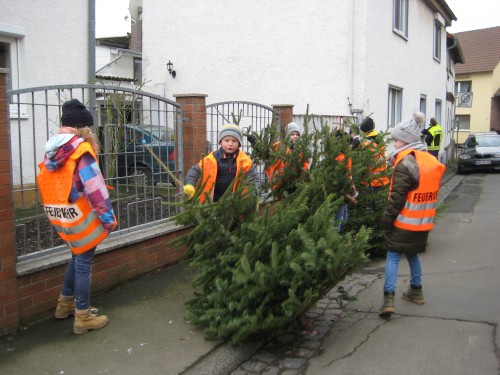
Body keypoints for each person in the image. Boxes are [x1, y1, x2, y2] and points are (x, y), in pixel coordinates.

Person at [37, 99, 117, 334]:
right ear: (82, 127)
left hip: (62, 214)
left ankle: (64, 305)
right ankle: (83, 316)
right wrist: (108, 218)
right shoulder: (81, 150)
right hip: (83, 214)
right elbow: (94, 188)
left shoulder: (52, 149)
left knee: (76, 257)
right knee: (83, 263)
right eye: (89, 128)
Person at [378, 112, 445, 318]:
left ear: (406, 140)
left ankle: (388, 299)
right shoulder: (426, 159)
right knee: (413, 253)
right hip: (422, 221)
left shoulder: (405, 163)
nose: (394, 143)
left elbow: (397, 198)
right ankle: (416, 290)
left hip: (403, 220)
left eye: (396, 139)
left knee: (392, 255)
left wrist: (386, 220)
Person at [183, 123, 259, 203]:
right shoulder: (211, 159)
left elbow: (254, 180)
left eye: (234, 141)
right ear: (220, 142)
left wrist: (255, 196)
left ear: (239, 144)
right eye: (226, 140)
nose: (230, 144)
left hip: (236, 204)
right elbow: (195, 170)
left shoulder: (245, 161)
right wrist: (190, 184)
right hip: (212, 203)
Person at [264, 122, 309, 193]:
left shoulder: (301, 150)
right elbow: (270, 163)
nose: (295, 136)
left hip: (295, 185)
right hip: (279, 185)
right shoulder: (278, 146)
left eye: (297, 135)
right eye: (292, 134)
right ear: (287, 135)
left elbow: (304, 167)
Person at [359, 117, 390, 191]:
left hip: (370, 182)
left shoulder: (366, 143)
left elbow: (366, 162)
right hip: (382, 179)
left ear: (363, 130)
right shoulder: (379, 138)